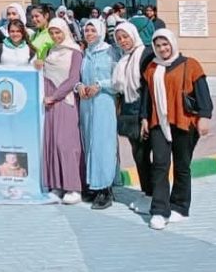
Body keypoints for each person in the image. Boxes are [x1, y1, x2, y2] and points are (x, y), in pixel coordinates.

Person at [140, 29, 213, 230]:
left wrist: (204, 117)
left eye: (165, 44)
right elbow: (146, 96)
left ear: (172, 43)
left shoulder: (191, 65)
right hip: (158, 122)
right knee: (160, 165)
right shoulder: (152, 67)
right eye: (158, 46)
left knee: (182, 165)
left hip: (184, 122)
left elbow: (203, 93)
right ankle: (159, 210)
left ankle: (179, 207)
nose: (162, 49)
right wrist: (144, 118)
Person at [77, 18, 119, 210]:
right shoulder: (85, 53)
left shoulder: (110, 51)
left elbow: (118, 80)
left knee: (103, 143)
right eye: (87, 31)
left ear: (101, 31)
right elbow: (79, 77)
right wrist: (80, 86)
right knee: (89, 142)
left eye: (93, 30)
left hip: (103, 102)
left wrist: (100, 85)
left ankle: (105, 188)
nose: (89, 34)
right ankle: (93, 184)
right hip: (87, 104)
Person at [112, 22, 154, 212]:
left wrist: (145, 116)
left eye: (125, 37)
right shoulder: (124, 59)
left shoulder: (145, 54)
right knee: (138, 155)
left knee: (147, 154)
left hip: (144, 110)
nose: (123, 41)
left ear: (133, 35)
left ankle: (153, 195)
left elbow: (148, 87)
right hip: (129, 111)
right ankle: (146, 192)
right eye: (119, 39)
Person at [41, 18, 83, 205]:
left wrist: (55, 96)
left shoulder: (75, 52)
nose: (55, 36)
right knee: (51, 142)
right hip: (49, 102)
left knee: (65, 143)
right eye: (52, 33)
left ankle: (73, 187)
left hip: (65, 101)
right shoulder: (51, 51)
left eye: (58, 32)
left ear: (65, 31)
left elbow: (73, 78)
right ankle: (57, 185)